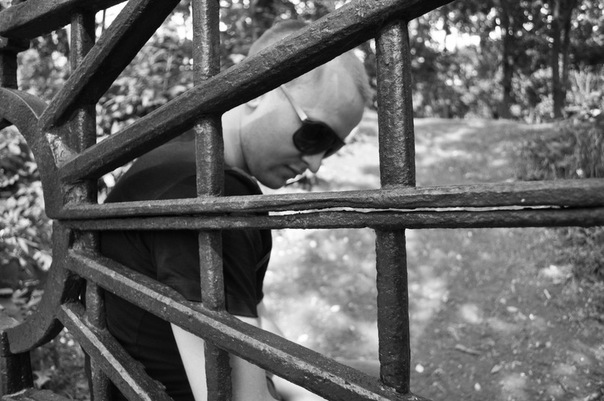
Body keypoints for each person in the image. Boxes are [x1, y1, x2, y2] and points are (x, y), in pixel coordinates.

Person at [100, 20, 371, 401]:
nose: (314, 164)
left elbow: (253, 322)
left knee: (379, 376)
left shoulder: (184, 155)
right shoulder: (211, 191)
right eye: (315, 135)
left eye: (332, 148)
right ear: (260, 89)